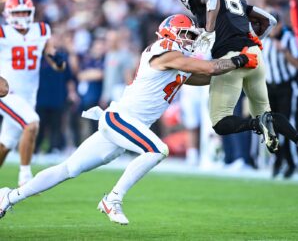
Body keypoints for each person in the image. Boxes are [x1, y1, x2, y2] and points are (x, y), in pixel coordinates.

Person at [0, 14, 258, 224]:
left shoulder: (177, 61)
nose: (190, 40)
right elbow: (209, 67)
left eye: (193, 36)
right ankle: (112, 199)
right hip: (121, 119)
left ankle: (9, 197)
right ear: (169, 33)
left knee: (68, 169)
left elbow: (205, 76)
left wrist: (233, 70)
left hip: (124, 125)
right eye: (187, 34)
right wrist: (240, 59)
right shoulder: (165, 51)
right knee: (158, 150)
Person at [177, 0, 298, 153]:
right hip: (255, 56)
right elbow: (269, 20)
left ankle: (256, 125)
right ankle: (296, 138)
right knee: (266, 113)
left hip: (232, 58)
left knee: (220, 121)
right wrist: (256, 39)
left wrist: (209, 30)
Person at [0, 0, 66, 186]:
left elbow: (53, 60)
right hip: (7, 94)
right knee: (32, 122)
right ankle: (25, 178)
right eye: (17, 13)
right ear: (8, 14)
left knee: (6, 145)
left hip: (29, 95)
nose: (21, 16)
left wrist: (59, 61)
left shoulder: (42, 30)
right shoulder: (3, 33)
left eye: (24, 12)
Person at [263, 13, 298, 178]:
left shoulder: (288, 38)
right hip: (269, 88)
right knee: (271, 127)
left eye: (276, 26)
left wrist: (284, 52)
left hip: (286, 87)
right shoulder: (263, 39)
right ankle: (278, 161)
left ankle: (292, 162)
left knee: (287, 125)